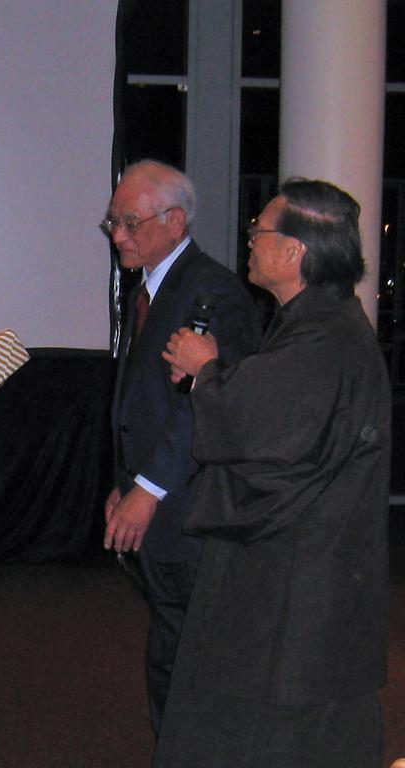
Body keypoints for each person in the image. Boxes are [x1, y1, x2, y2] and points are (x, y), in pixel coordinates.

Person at [156, 179, 390, 766]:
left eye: (259, 230)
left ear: (294, 252)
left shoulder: (326, 335)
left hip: (301, 578)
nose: (250, 241)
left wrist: (208, 371)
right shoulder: (317, 325)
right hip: (306, 567)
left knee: (280, 731)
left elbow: (269, 436)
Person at [101, 160, 261, 736]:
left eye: (128, 222)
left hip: (194, 513)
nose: (117, 234)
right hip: (163, 504)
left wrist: (146, 489)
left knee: (195, 656)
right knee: (173, 646)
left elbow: (208, 407)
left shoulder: (213, 292)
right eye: (113, 221)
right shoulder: (150, 286)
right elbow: (140, 403)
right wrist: (124, 483)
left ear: (173, 221)